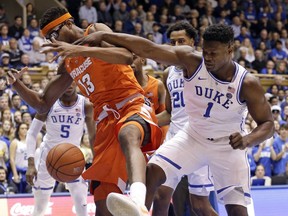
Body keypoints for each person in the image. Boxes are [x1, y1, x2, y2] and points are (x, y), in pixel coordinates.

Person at [50, 23, 274, 216]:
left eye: (214, 53)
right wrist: (105, 36)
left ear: (230, 50)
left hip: (228, 146)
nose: (208, 57)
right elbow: (148, 48)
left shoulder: (247, 83)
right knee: (153, 172)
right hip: (193, 136)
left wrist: (248, 139)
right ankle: (137, 205)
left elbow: (267, 124)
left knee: (234, 210)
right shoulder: (192, 61)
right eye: (205, 51)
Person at [8, 7, 161, 216]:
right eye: (48, 39)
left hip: (131, 104)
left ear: (69, 23)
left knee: (128, 134)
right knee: (102, 204)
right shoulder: (68, 61)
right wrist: (16, 84)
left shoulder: (96, 31)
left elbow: (127, 56)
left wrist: (82, 50)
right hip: (105, 122)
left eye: (54, 34)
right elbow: (43, 104)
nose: (53, 42)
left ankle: (138, 201)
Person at [154, 21, 216, 216]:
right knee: (160, 197)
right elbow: (171, 114)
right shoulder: (167, 73)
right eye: (172, 42)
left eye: (182, 41)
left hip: (199, 140)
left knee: (199, 206)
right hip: (174, 138)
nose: (176, 46)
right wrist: (144, 120)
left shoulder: (207, 68)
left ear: (193, 43)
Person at [25, 82, 95, 216]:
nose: (68, 84)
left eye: (70, 80)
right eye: (64, 79)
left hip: (72, 157)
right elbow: (32, 133)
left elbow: (93, 136)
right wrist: (30, 163)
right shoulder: (49, 103)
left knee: (81, 202)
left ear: (76, 81)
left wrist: (97, 161)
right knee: (40, 206)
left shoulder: (85, 105)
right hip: (47, 158)